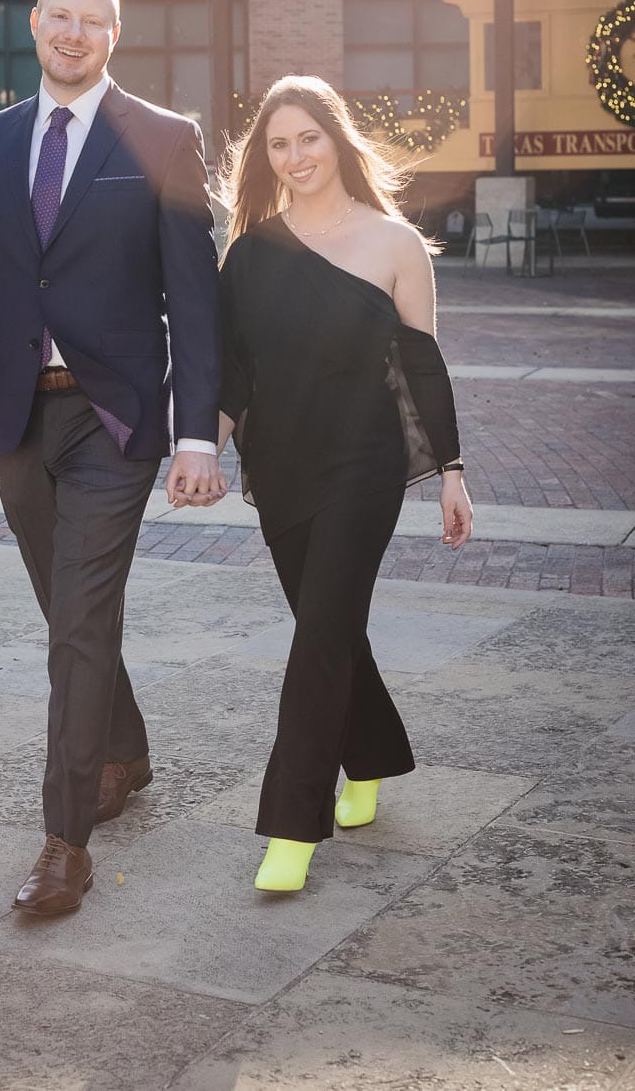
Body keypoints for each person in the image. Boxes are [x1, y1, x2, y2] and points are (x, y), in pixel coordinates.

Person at [0, 0, 225, 916]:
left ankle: (64, 840)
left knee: (78, 624)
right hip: (15, 415)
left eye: (95, 22)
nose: (74, 35)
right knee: (69, 611)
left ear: (114, 37)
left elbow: (194, 301)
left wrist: (196, 434)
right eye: (60, 18)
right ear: (36, 24)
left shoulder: (162, 140)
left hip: (113, 417)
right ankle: (123, 748)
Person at [217, 75, 472, 893]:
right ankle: (371, 757)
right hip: (282, 467)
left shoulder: (394, 243)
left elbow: (423, 367)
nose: (295, 157)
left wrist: (452, 474)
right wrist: (197, 451)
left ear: (338, 140)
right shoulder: (250, 252)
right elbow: (232, 374)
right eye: (278, 145)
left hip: (365, 469)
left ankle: (293, 826)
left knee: (318, 633)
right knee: (331, 629)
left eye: (309, 139)